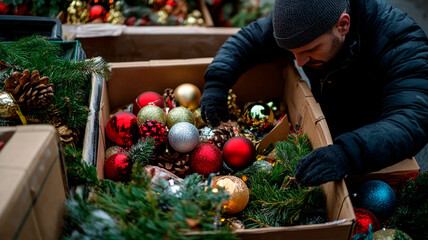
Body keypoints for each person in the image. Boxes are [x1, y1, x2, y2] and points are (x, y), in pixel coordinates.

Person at [200, 0, 428, 186]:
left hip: (376, 150)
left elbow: (413, 117)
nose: (299, 62)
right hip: (328, 132)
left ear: (343, 25)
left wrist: (348, 154)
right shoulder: (302, 26)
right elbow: (250, 38)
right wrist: (217, 83)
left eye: (310, 51)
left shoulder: (400, 40)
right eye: (292, 53)